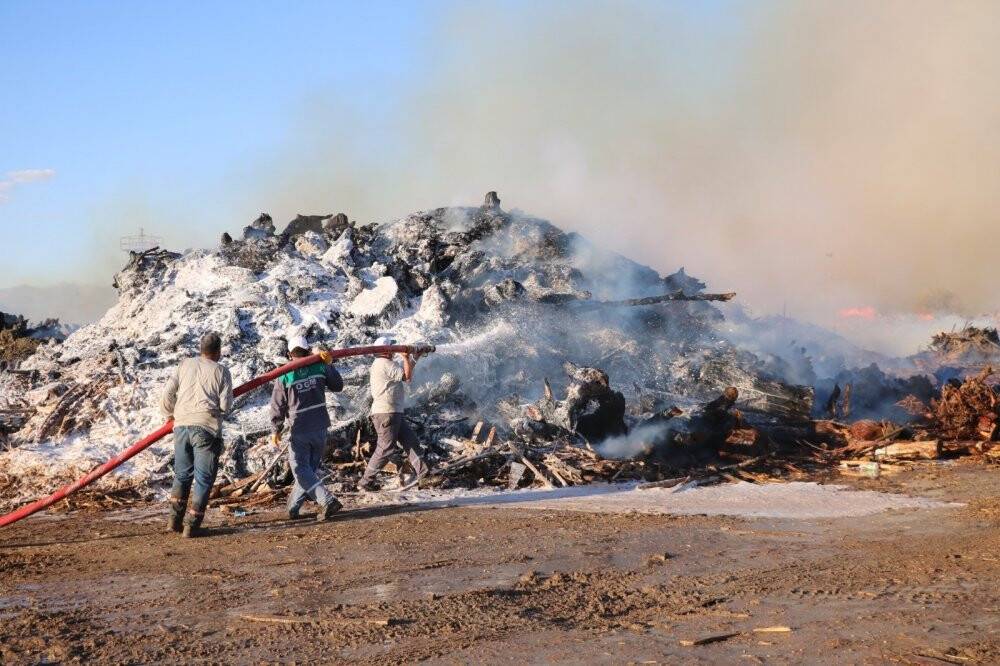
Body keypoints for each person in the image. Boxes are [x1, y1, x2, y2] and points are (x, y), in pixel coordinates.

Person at [160, 332, 234, 538]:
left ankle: (173, 522)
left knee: (182, 475)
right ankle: (192, 525)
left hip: (181, 426)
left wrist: (169, 415)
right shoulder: (221, 371)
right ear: (218, 351)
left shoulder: (185, 365)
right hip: (206, 427)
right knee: (203, 478)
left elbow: (167, 393)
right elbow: (225, 405)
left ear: (200, 349)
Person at [270, 335, 345, 521]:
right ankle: (292, 509)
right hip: (320, 426)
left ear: (289, 354)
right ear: (308, 350)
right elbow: (338, 386)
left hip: (300, 428)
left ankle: (327, 500)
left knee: (300, 470)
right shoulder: (319, 366)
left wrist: (275, 430)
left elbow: (277, 405)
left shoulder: (285, 374)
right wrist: (329, 364)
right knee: (307, 471)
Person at [358, 336, 428, 491]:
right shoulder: (384, 363)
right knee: (385, 448)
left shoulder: (385, 363)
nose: (394, 350)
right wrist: (406, 357)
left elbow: (405, 371)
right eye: (391, 347)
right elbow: (407, 377)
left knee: (410, 441)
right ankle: (365, 482)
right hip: (387, 413)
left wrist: (414, 357)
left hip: (393, 411)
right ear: (386, 350)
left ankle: (425, 474)